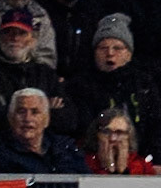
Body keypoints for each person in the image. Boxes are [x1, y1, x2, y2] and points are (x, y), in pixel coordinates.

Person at [64, 14, 161, 162]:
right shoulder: (79, 86)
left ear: (129, 54)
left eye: (117, 48)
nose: (110, 53)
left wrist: (152, 161)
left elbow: (156, 126)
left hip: (142, 163)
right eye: (103, 47)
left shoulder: (144, 84)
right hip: (93, 163)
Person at [0, 8, 75, 139]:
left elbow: (69, 121)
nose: (15, 38)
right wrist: (43, 111)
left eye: (22, 33)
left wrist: (15, 114)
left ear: (33, 38)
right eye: (8, 32)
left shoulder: (45, 74)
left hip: (46, 146)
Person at [0, 86, 84, 171]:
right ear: (10, 118)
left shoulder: (66, 149)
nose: (27, 118)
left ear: (46, 120)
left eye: (35, 112)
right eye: (21, 112)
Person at [83, 108, 155, 175]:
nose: (112, 138)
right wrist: (107, 168)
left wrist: (123, 170)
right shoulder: (84, 164)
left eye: (119, 132)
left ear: (129, 137)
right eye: (106, 132)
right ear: (97, 135)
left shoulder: (143, 166)